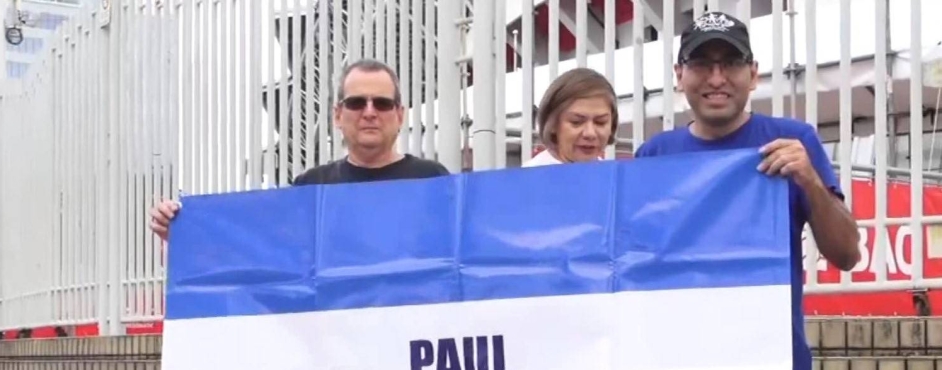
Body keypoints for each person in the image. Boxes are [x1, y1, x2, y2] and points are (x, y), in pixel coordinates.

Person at [635, 12, 860, 370]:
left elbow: (847, 254)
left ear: (753, 74)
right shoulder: (655, 157)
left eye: (730, 62)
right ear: (679, 74)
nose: (717, 76)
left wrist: (810, 181)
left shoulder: (795, 141)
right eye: (703, 63)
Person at [149, 58, 449, 241]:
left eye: (381, 103)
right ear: (337, 115)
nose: (369, 112)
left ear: (400, 114)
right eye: (357, 102)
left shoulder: (434, 181)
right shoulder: (310, 187)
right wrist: (184, 233)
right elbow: (259, 249)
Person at [522, 67, 618, 166]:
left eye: (600, 122)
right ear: (553, 124)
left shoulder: (613, 177)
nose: (590, 133)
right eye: (576, 122)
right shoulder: (528, 178)